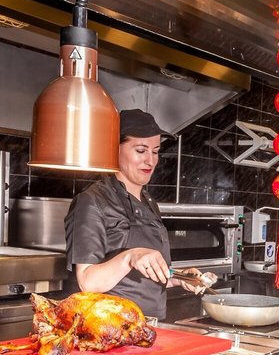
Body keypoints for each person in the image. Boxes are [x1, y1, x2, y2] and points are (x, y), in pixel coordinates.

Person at [65, 108, 208, 320]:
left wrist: (177, 277)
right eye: (141, 150)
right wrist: (130, 257)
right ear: (114, 150)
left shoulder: (149, 202)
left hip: (151, 324)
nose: (150, 161)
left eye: (155, 151)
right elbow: (87, 281)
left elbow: (140, 279)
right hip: (111, 326)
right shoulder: (92, 201)